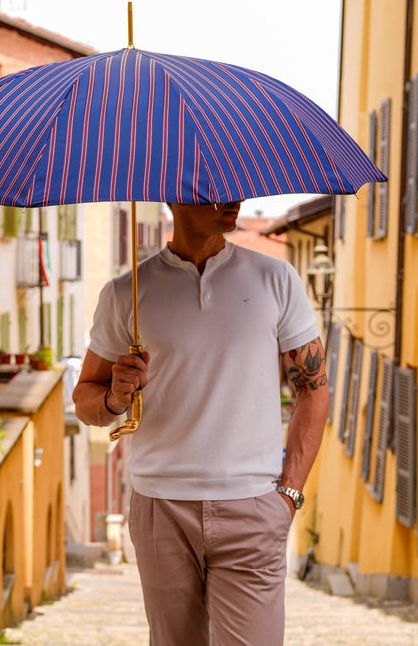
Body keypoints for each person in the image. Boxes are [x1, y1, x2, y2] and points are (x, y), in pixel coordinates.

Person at [73, 201, 329, 646]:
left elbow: (313, 388)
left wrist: (288, 494)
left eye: (235, 186)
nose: (232, 198)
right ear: (174, 196)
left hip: (252, 506)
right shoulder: (126, 292)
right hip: (160, 509)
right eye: (213, 188)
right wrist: (116, 396)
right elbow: (85, 400)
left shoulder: (277, 279)